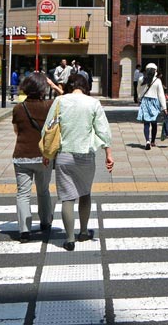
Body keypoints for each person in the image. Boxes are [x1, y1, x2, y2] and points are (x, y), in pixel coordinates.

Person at [42, 72, 113, 251]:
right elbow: (103, 130)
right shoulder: (93, 103)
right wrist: (108, 154)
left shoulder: (60, 101)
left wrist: (46, 153)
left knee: (67, 197)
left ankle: (69, 239)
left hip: (64, 154)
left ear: (69, 85)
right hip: (86, 155)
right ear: (85, 86)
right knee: (85, 193)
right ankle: (83, 231)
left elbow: (48, 127)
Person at [11, 73, 54, 242]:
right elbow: (66, 98)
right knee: (43, 190)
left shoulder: (18, 108)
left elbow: (16, 131)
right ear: (43, 88)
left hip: (22, 155)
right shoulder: (49, 106)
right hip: (43, 156)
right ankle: (45, 222)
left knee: (23, 193)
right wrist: (54, 85)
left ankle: (24, 231)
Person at [137, 63, 167, 150]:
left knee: (146, 123)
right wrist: (164, 107)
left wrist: (139, 98)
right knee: (154, 123)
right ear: (155, 71)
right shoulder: (157, 81)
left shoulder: (141, 79)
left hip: (145, 101)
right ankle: (153, 141)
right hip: (154, 102)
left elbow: (138, 90)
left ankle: (147, 141)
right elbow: (161, 95)